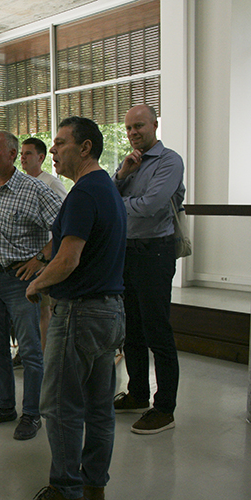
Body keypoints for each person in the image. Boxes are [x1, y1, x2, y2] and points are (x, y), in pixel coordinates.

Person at [26, 116, 126, 500]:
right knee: (99, 408)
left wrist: (37, 281)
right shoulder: (107, 189)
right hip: (110, 312)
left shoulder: (84, 193)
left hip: (81, 314)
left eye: (60, 142)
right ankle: (93, 484)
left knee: (60, 406)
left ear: (85, 148)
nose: (52, 150)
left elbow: (68, 259)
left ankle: (65, 488)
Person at [0, 131, 62, 441]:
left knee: (31, 351)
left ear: (12, 154)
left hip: (19, 281)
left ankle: (33, 414)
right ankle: (4, 406)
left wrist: (40, 260)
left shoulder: (34, 189)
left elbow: (63, 228)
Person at [112, 104, 185, 434]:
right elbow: (107, 194)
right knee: (132, 330)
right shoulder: (130, 162)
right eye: (128, 128)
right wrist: (122, 175)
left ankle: (164, 408)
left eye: (138, 126)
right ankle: (138, 393)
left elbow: (151, 206)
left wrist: (115, 207)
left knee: (157, 329)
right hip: (128, 253)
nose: (132, 133)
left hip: (155, 252)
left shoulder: (169, 161)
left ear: (155, 124)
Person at [20, 137, 68, 352]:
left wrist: (47, 257)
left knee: (42, 310)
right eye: (21, 154)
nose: (23, 158)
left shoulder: (50, 183)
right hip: (23, 257)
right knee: (25, 310)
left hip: (43, 258)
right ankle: (26, 350)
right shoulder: (20, 184)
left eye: (28, 153)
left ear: (40, 157)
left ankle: (44, 355)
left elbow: (64, 221)